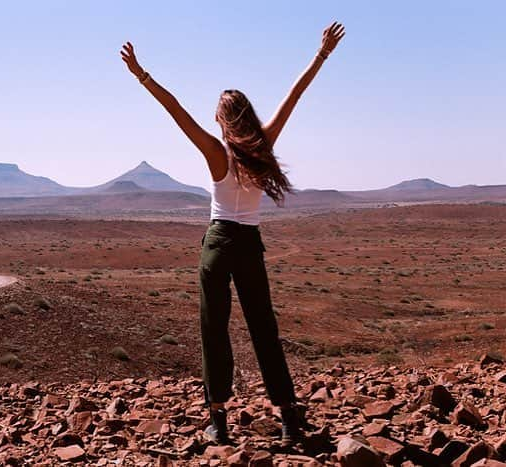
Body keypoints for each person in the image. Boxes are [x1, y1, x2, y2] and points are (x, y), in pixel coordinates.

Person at [120, 22, 345, 445]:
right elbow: (294, 96)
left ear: (222, 119)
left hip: (219, 243)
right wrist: (322, 54)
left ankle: (218, 418)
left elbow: (176, 111)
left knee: (214, 328)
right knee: (264, 328)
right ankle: (288, 415)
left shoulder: (216, 152)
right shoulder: (263, 147)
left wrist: (142, 75)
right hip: (249, 245)